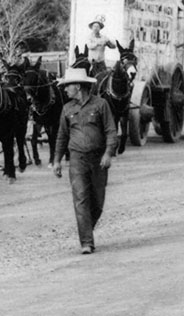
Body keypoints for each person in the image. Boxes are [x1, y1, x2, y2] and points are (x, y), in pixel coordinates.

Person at [52, 67, 118, 255]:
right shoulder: (67, 109)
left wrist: (108, 154)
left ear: (78, 87)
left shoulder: (101, 105)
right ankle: (86, 242)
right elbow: (61, 137)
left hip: (98, 160)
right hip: (77, 159)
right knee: (80, 199)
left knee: (97, 202)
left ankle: (86, 228)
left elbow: (111, 131)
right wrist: (56, 160)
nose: (65, 90)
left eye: (67, 86)